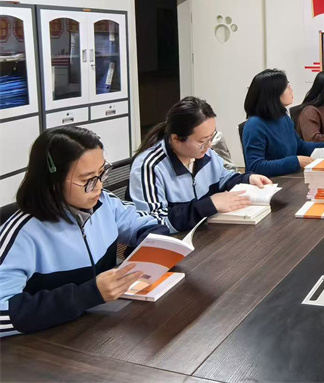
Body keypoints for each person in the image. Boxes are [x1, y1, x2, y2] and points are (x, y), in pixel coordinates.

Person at [0, 127, 168, 336]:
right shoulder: (23, 233)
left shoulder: (104, 203)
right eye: (87, 179)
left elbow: (144, 224)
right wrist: (88, 294)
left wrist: (154, 246)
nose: (98, 187)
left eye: (102, 173)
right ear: (53, 182)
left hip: (100, 329)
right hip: (47, 343)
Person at [130, 96, 271, 233]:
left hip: (204, 233)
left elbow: (223, 177)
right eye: (202, 141)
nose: (209, 145)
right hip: (173, 242)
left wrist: (246, 179)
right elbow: (154, 222)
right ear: (176, 139)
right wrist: (208, 205)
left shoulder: (204, 153)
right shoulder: (149, 167)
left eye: (212, 137)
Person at [242, 69, 324, 177]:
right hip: (271, 182)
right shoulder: (255, 125)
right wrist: (295, 161)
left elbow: (299, 145)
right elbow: (256, 167)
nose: (291, 90)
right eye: (287, 87)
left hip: (289, 177)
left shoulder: (283, 117)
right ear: (273, 93)